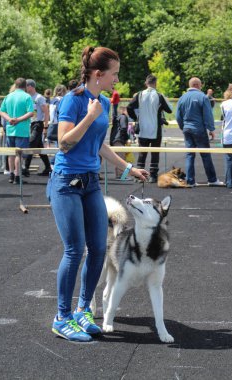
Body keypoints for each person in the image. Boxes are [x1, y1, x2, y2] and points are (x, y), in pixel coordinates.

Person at [47, 46, 148, 343]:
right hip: (66, 181)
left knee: (99, 249)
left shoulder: (103, 101)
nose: (117, 78)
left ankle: (82, 311)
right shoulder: (74, 101)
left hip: (90, 181)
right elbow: (64, 143)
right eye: (114, 73)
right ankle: (62, 317)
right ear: (98, 74)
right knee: (74, 250)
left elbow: (100, 145)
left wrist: (129, 168)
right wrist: (89, 117)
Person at [176, 77, 223, 187]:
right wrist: (211, 129)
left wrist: (183, 127)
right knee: (205, 155)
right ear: (197, 85)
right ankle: (212, 180)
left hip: (187, 129)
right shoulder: (202, 97)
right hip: (199, 129)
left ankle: (190, 181)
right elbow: (207, 115)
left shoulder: (182, 98)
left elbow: (178, 116)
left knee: (189, 155)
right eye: (201, 85)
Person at [127, 74, 172, 183]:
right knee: (155, 153)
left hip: (143, 128)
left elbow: (129, 107)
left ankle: (139, 177)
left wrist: (136, 118)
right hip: (156, 130)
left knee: (142, 153)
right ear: (155, 83)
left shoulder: (139, 95)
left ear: (146, 83)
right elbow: (169, 110)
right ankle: (153, 176)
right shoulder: (159, 95)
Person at [0, 78, 34, 184]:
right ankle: (18, 177)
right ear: (25, 86)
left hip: (10, 129)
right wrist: (18, 119)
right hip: (22, 130)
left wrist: (9, 119)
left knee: (11, 153)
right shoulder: (27, 96)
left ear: (15, 85)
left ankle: (11, 175)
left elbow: (1, 111)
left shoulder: (8, 96)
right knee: (19, 154)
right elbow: (30, 113)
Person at [24, 79, 52, 176]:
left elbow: (46, 112)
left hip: (38, 124)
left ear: (30, 86)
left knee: (31, 144)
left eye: (26, 86)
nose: (25, 88)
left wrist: (45, 126)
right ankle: (48, 167)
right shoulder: (27, 97)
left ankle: (25, 168)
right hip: (30, 124)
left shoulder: (39, 97)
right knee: (39, 147)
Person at [109, 105, 129, 178]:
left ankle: (119, 174)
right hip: (119, 139)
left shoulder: (117, 118)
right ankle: (120, 175)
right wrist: (127, 138)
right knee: (121, 157)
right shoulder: (123, 117)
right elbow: (123, 128)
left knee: (119, 157)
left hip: (115, 139)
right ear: (124, 111)